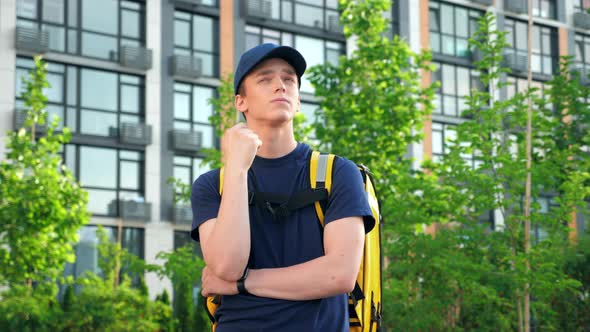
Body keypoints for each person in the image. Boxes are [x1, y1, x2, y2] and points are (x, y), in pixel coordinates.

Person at [190, 43, 375, 332]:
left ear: (298, 99)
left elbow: (338, 275)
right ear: (241, 102)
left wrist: (242, 284)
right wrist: (238, 169)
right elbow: (227, 266)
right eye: (265, 79)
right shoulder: (213, 185)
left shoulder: (337, 173)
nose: (280, 86)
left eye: (289, 79)